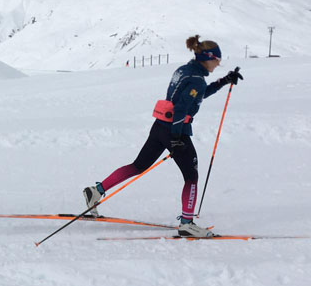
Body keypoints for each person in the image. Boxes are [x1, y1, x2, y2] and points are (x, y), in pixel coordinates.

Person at [82, 35, 243, 237]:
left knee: (138, 165)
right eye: (217, 60)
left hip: (159, 126)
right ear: (207, 58)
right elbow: (182, 107)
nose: (218, 64)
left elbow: (195, 95)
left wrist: (223, 81)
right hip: (176, 130)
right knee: (191, 177)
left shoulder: (185, 71)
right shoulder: (197, 80)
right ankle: (187, 224)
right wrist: (176, 136)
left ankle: (96, 191)